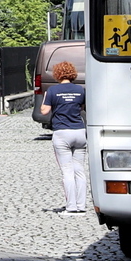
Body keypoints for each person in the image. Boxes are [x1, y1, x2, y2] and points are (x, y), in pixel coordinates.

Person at [38, 60, 87, 213]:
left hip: (62, 133)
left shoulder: (53, 91)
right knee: (79, 171)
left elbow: (44, 111)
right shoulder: (80, 90)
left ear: (57, 74)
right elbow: (82, 107)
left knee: (67, 171)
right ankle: (81, 206)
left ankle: (71, 207)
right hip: (79, 131)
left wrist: (46, 99)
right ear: (73, 73)